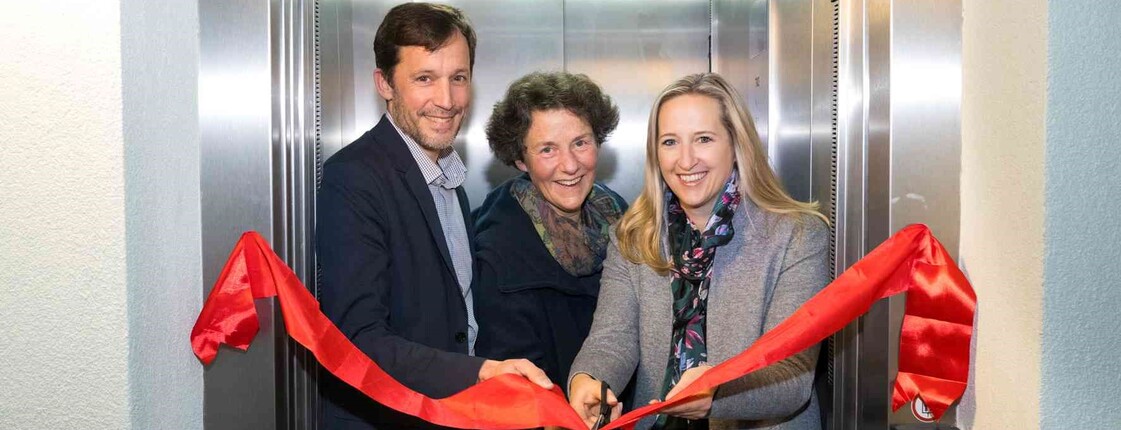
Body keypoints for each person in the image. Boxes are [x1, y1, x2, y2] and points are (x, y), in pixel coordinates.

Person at [316, 3, 551, 429]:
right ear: (384, 84)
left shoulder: (448, 178)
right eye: (424, 78)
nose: (446, 100)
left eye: (458, 79)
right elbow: (357, 341)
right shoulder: (353, 177)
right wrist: (479, 371)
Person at [567, 73, 830, 430]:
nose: (686, 160)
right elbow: (613, 339)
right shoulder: (632, 237)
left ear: (736, 144)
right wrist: (589, 381)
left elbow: (792, 373)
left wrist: (718, 393)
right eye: (670, 142)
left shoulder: (797, 236)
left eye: (703, 139)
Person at [473, 72, 628, 389]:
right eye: (547, 149)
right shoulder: (495, 249)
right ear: (520, 159)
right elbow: (515, 386)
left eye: (580, 143)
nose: (570, 165)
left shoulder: (625, 221)